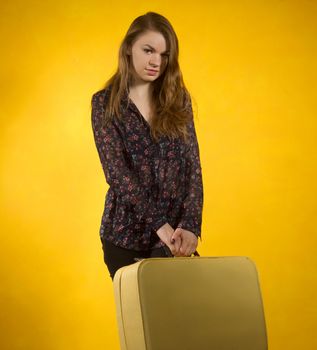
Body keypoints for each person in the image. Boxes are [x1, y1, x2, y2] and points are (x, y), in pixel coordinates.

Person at [91, 11, 204, 280]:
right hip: (124, 237)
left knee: (179, 319)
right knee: (139, 321)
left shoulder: (178, 99)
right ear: (129, 48)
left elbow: (193, 167)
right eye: (148, 50)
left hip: (174, 241)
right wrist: (160, 225)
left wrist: (190, 225)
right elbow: (117, 174)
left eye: (164, 55)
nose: (156, 61)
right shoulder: (104, 104)